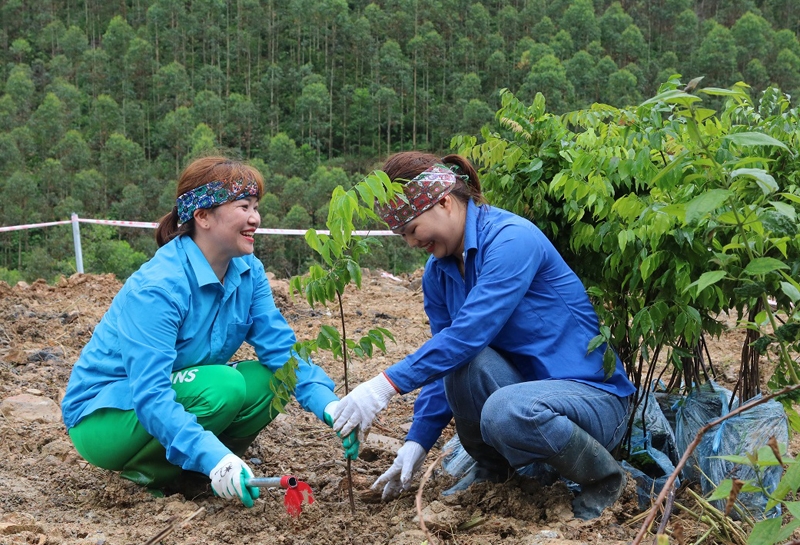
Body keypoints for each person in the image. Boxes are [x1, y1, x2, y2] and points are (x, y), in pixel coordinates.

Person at [332, 151, 636, 520]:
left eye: (412, 230)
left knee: (504, 408)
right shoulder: (438, 273)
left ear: (443, 202)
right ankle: (493, 472)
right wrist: (417, 442)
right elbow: (446, 355)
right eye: (403, 236)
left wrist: (384, 386)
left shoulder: (511, 240)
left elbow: (470, 333)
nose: (411, 243)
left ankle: (603, 479)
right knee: (462, 368)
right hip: (526, 396)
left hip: (592, 399)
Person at [61, 156, 357, 508]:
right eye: (243, 206)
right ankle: (151, 475)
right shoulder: (159, 287)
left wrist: (330, 405)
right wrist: (213, 455)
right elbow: (150, 392)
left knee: (274, 379)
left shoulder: (248, 271)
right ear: (202, 216)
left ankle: (209, 473)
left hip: (179, 389)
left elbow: (281, 349)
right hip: (106, 415)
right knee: (224, 386)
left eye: (256, 207)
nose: (255, 218)